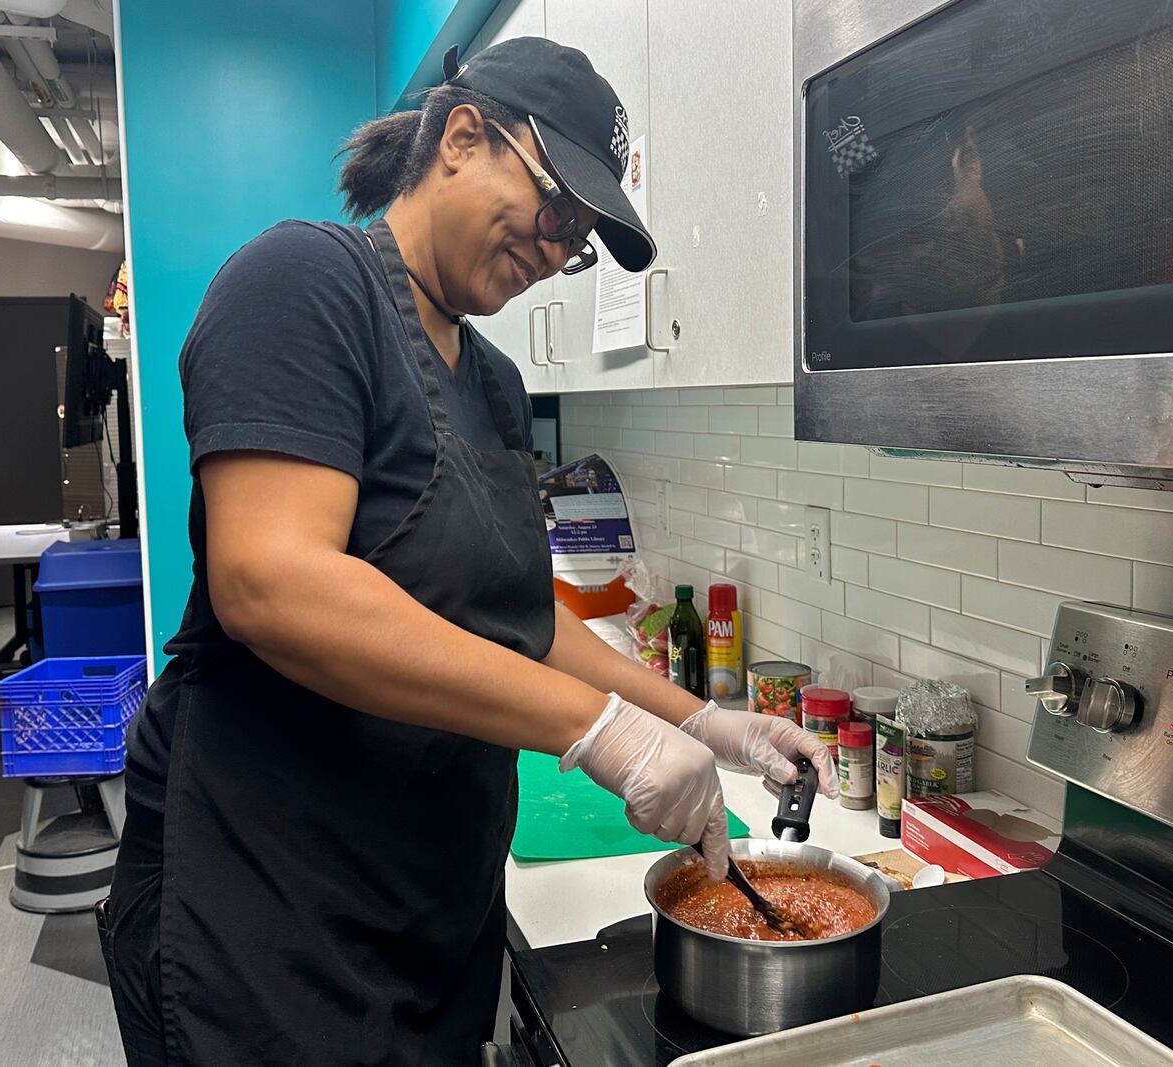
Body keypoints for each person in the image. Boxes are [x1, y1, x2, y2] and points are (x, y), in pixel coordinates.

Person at [103, 36, 834, 1067]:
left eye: (575, 238)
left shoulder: (492, 381)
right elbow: (271, 582)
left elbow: (516, 620)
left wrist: (706, 722)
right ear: (459, 137)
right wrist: (604, 736)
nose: (552, 252)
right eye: (554, 211)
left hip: (427, 899)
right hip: (266, 899)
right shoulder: (301, 285)